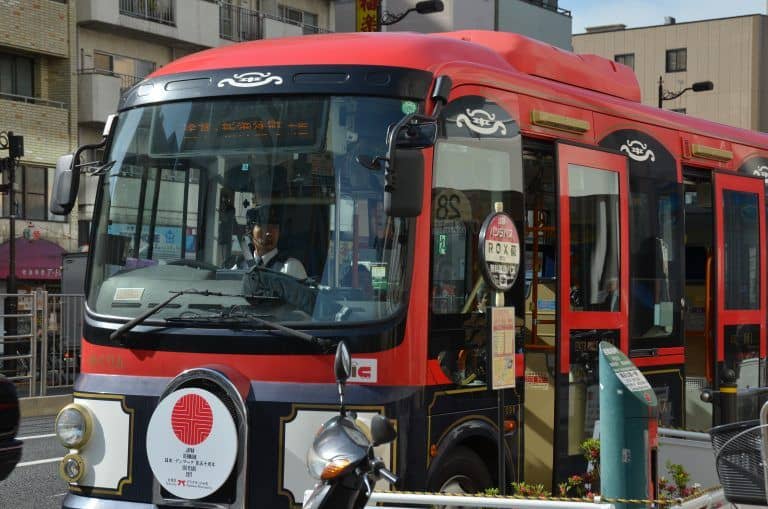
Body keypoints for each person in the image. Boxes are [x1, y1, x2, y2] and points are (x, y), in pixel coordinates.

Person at [246, 206, 307, 279]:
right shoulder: (241, 266)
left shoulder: (292, 267)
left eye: (274, 227)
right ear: (250, 230)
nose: (269, 232)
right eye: (262, 225)